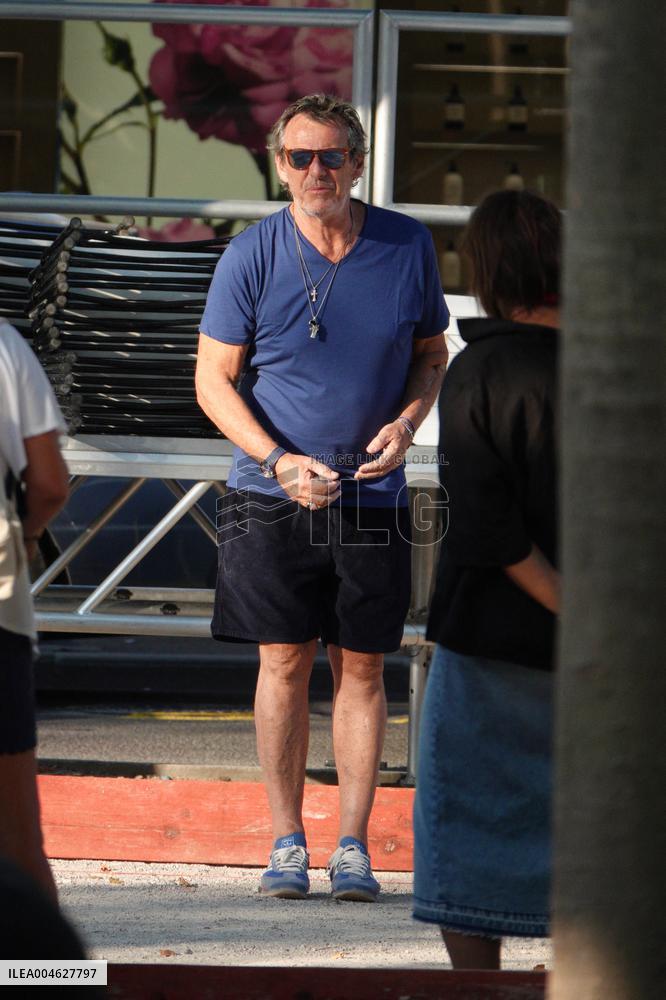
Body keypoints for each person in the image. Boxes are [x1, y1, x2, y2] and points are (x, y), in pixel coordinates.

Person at [196, 93, 449, 901]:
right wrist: (276, 460)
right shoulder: (251, 254)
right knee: (282, 661)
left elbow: (432, 355)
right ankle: (284, 842)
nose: (316, 171)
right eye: (299, 158)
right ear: (279, 166)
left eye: (332, 155)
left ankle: (352, 847)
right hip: (270, 491)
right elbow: (212, 381)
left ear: (358, 162)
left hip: (370, 493)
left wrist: (408, 425)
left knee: (364, 667)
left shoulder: (406, 243)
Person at [412, 190, 561, 966]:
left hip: (490, 635)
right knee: (596, 834)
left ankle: (477, 992)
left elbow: (486, 527)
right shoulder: (622, 370)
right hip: (606, 652)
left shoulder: (479, 371)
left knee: (464, 828)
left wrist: (571, 603)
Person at [0, 317, 69, 904]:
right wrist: (26, 537)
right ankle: (50, 982)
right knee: (20, 840)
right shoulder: (3, 344)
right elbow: (48, 482)